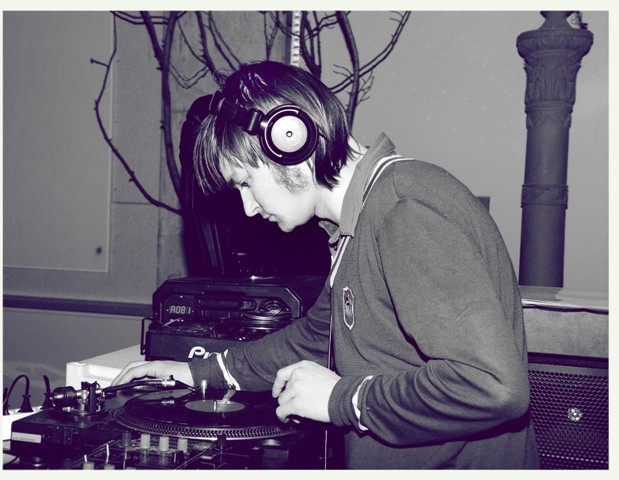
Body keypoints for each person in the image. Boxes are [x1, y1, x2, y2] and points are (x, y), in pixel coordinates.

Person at [112, 60, 540, 469]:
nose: (247, 207)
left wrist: (341, 399)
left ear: (290, 140)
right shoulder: (357, 224)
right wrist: (196, 371)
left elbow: (490, 386)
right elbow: (313, 339)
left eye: (246, 182)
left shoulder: (405, 211)